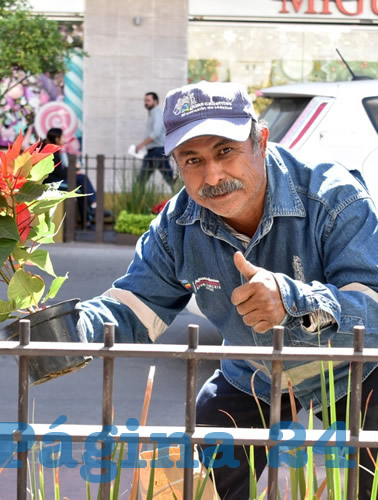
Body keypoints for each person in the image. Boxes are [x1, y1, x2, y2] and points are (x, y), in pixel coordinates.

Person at [75, 81, 378, 499]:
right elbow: (134, 307)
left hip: (352, 372)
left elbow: (373, 311)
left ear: (262, 141)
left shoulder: (334, 198)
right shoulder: (176, 226)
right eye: (193, 159)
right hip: (253, 373)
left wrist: (293, 302)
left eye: (225, 151)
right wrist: (70, 328)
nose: (212, 175)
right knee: (213, 428)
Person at [40, 127, 98, 228]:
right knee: (81, 180)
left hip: (57, 180)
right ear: (57, 139)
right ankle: (93, 206)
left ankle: (88, 220)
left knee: (80, 189)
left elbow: (60, 171)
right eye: (62, 137)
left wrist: (73, 171)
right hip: (52, 183)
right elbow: (58, 172)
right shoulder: (50, 151)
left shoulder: (52, 149)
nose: (64, 139)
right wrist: (73, 171)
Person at [135, 91, 174, 186]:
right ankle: (137, 199)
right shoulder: (152, 114)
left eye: (148, 100)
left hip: (159, 151)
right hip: (153, 151)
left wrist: (141, 145)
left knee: (170, 179)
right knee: (141, 180)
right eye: (145, 100)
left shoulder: (157, 113)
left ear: (155, 101)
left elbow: (155, 133)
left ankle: (183, 199)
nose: (146, 102)